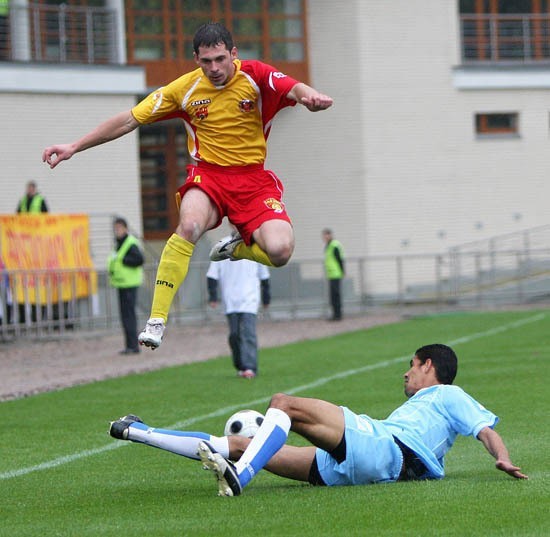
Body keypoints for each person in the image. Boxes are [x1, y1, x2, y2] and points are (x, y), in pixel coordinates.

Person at [42, 22, 333, 351]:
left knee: (280, 251)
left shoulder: (255, 75)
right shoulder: (184, 89)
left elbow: (293, 87)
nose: (214, 68)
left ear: (233, 55)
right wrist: (73, 147)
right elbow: (128, 119)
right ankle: (157, 319)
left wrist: (311, 97)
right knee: (191, 223)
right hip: (207, 175)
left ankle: (235, 248)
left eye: (220, 59)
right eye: (206, 61)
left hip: (253, 181)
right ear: (196, 59)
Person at [108, 343, 527, 497]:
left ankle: (243, 475)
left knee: (282, 403)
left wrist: (502, 458)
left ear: (428, 365)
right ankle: (137, 431)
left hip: (386, 448)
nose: (406, 372)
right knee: (240, 442)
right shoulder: (424, 405)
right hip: (366, 468)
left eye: (411, 365)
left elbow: (485, 431)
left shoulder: (448, 393)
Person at [207, 245, 271, 378]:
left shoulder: (255, 246)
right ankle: (240, 365)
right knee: (234, 335)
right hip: (230, 300)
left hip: (250, 299)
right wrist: (213, 296)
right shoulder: (222, 246)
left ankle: (250, 367)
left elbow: (264, 275)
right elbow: (212, 274)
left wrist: (266, 298)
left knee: (248, 333)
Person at [108, 217, 144, 354]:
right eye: (115, 228)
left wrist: (123, 260)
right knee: (125, 316)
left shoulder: (130, 243)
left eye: (119, 228)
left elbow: (139, 259)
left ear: (125, 228)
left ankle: (133, 346)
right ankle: (129, 345)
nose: (117, 231)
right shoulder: (118, 244)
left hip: (130, 284)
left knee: (129, 316)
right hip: (121, 284)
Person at [322, 228, 345, 321]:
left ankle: (338, 315)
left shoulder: (334, 245)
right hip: (331, 274)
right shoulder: (328, 246)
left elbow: (340, 259)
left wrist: (342, 271)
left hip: (336, 273)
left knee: (336, 295)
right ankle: (335, 314)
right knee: (332, 296)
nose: (324, 238)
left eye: (326, 235)